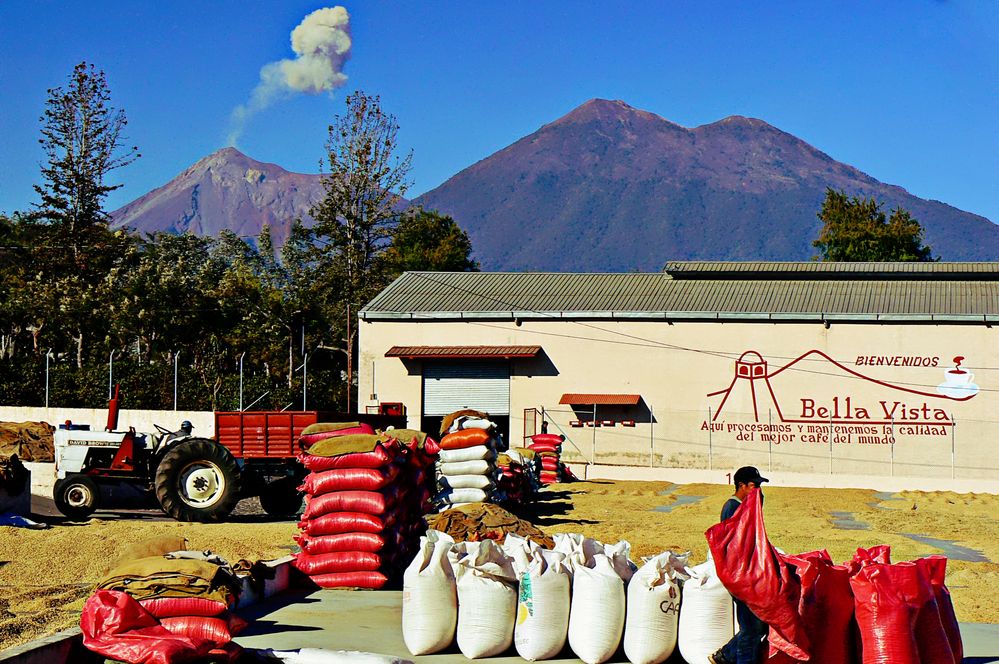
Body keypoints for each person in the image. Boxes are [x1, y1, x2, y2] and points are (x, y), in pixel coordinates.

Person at [709, 466, 770, 664]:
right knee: (751, 628)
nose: (758, 490)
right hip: (740, 577)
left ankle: (725, 655)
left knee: (759, 626)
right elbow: (734, 545)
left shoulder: (749, 506)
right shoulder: (732, 507)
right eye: (754, 486)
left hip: (749, 575)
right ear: (741, 486)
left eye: (760, 486)